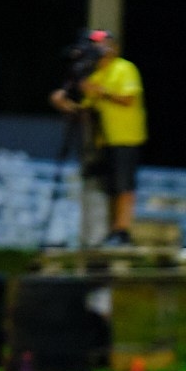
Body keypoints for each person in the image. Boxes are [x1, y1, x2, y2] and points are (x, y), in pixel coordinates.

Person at [50, 29, 145, 247]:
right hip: (103, 140)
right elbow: (84, 111)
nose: (99, 49)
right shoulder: (96, 74)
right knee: (110, 186)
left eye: (104, 44)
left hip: (126, 136)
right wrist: (62, 103)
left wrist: (99, 91)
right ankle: (111, 231)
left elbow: (128, 98)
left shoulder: (124, 68)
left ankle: (122, 231)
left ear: (114, 47)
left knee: (124, 186)